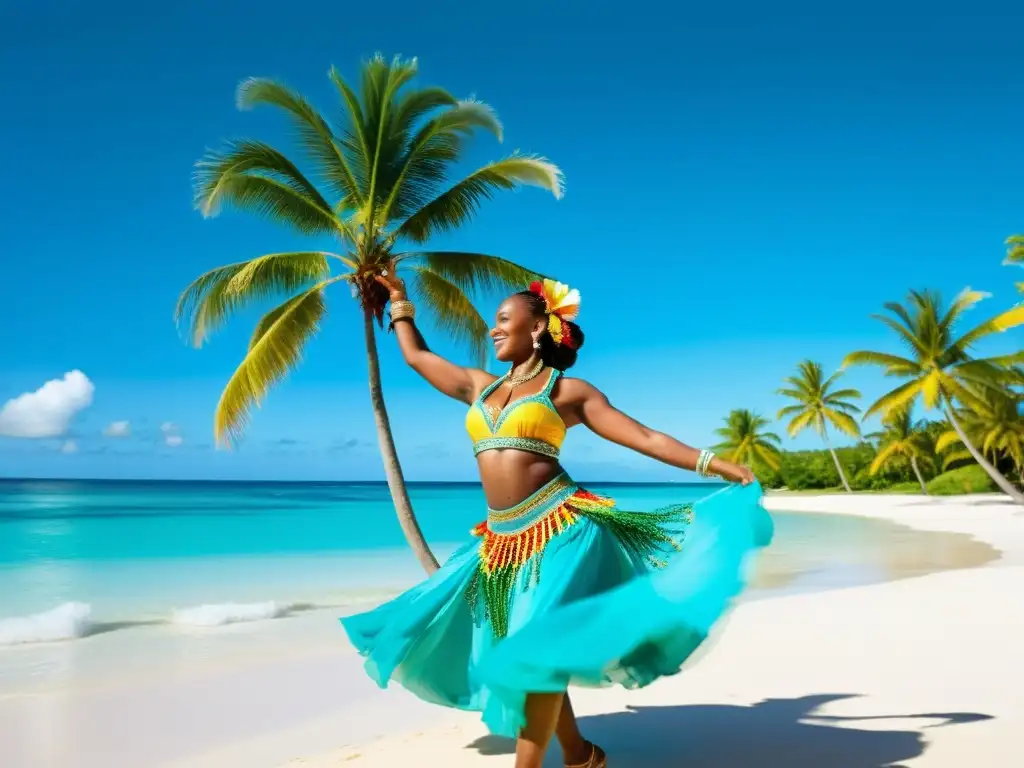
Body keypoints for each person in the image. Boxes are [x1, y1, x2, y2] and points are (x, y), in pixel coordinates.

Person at [340, 270, 773, 768]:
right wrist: (399, 302)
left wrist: (718, 465)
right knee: (532, 648)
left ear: (538, 328)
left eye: (503, 320)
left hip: (561, 529)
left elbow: (647, 438)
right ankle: (581, 754)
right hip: (499, 543)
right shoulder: (478, 387)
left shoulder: (568, 392)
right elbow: (417, 357)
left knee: (534, 651)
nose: (493, 329)